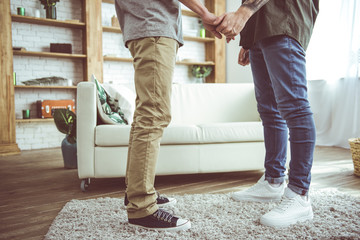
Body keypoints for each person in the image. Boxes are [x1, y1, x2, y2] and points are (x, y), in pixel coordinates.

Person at [114, 0, 222, 231]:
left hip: (146, 26)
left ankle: (135, 192)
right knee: (154, 114)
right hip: (153, 27)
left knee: (147, 113)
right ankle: (142, 206)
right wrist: (204, 12)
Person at [215, 0, 319, 228]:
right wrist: (249, 39)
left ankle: (299, 195)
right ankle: (273, 181)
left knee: (295, 107)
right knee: (269, 110)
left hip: (284, 19)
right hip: (259, 30)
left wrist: (243, 13)